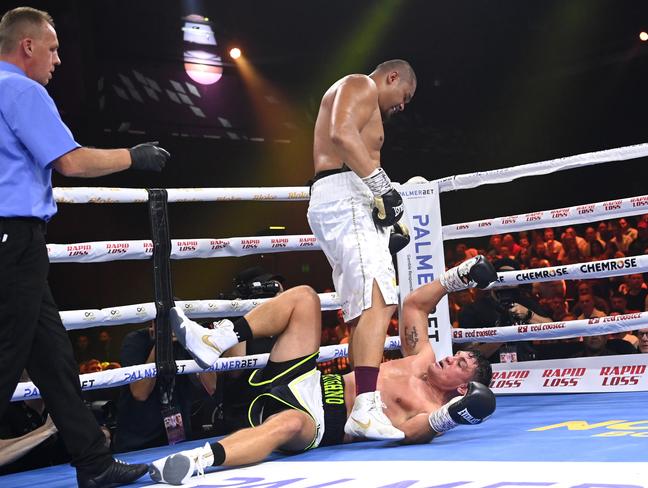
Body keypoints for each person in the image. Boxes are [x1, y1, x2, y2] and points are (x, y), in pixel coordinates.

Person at [0, 7, 170, 487]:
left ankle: (93, 462)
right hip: (13, 236)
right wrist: (133, 156)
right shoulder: (20, 89)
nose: (57, 60)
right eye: (51, 49)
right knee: (7, 355)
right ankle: (94, 461)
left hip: (14, 240)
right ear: (27, 46)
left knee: (53, 360)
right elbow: (70, 163)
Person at [147, 256, 497, 485]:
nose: (450, 358)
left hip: (319, 420)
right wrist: (460, 276)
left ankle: (198, 460)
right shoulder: (422, 357)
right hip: (308, 378)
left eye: (460, 364)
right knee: (304, 297)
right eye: (457, 355)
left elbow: (415, 434)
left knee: (285, 424)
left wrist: (454, 415)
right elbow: (416, 304)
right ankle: (218, 338)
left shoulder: (430, 411)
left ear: (464, 390)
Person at [306, 59, 417, 440]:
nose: (403, 106)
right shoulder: (359, 84)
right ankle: (367, 407)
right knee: (379, 297)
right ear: (392, 77)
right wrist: (383, 187)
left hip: (347, 198)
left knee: (359, 310)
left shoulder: (365, 99)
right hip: (345, 194)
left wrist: (382, 206)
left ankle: (359, 405)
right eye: (405, 95)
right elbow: (341, 133)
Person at [113, 322, 216, 452]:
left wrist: (196, 342)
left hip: (178, 438)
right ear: (153, 324)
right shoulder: (135, 341)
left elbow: (211, 386)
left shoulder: (186, 340)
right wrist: (161, 343)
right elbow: (140, 393)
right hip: (138, 441)